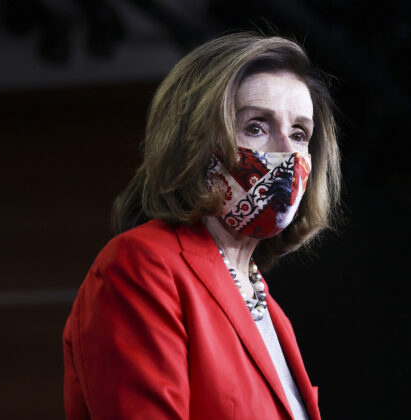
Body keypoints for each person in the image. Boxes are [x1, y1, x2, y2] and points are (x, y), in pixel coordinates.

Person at [62, 32, 342, 420]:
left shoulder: (265, 304)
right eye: (256, 127)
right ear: (193, 140)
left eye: (299, 134)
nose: (286, 153)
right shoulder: (142, 265)